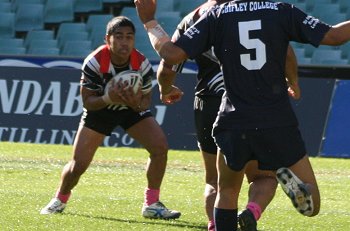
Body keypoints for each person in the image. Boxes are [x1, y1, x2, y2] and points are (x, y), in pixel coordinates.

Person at [135, 0, 350, 230]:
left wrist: (149, 21)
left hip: (233, 118)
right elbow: (334, 36)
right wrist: (294, 81)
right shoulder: (281, 10)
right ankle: (287, 182)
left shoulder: (217, 15)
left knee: (225, 190)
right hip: (276, 119)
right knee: (312, 202)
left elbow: (172, 54)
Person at [156, 1, 300, 230]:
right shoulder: (260, 10)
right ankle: (252, 211)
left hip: (209, 102)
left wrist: (165, 89)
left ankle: (216, 225)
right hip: (252, 101)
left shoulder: (194, 18)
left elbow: (167, 65)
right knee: (263, 176)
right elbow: (285, 52)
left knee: (215, 181)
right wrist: (292, 81)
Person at [40, 16, 181, 220]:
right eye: (119, 36)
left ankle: (151, 204)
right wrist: (109, 97)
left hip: (130, 110)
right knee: (78, 165)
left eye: (129, 37)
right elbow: (88, 102)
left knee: (160, 148)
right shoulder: (94, 62)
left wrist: (134, 103)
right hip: (100, 110)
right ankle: (59, 199)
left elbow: (145, 102)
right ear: (108, 39)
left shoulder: (141, 63)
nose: (125, 42)